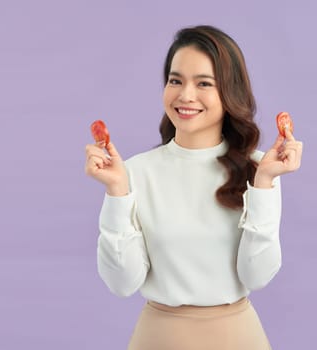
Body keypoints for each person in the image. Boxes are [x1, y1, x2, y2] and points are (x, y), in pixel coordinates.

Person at [84, 25, 303, 350]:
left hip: (238, 338)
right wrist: (117, 191)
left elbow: (256, 276)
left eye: (203, 83)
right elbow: (122, 283)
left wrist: (265, 184)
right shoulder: (134, 171)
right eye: (176, 81)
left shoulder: (258, 169)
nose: (185, 95)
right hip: (157, 339)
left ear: (230, 92)